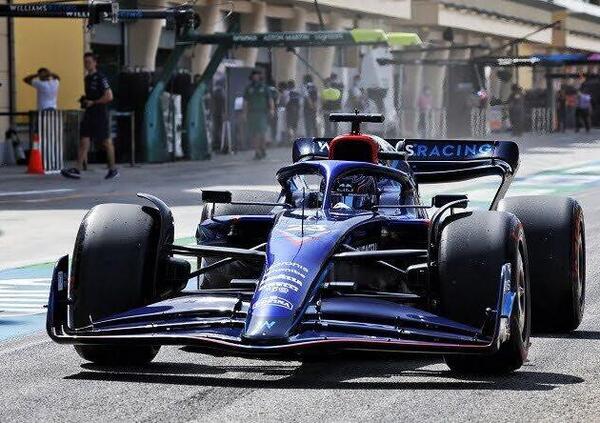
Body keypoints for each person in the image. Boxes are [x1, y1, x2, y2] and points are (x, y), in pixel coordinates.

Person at [61, 53, 117, 179]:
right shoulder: (87, 78)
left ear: (95, 63)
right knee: (84, 140)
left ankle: (113, 168)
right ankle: (77, 168)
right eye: (85, 62)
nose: (87, 64)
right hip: (89, 112)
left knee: (106, 141)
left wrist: (94, 102)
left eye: (89, 62)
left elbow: (109, 96)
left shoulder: (100, 77)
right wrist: (85, 100)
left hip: (100, 113)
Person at [243, 69, 274, 160]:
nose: (255, 77)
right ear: (252, 77)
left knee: (261, 133)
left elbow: (270, 99)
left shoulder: (264, 87)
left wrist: (272, 109)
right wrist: (244, 113)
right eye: (254, 75)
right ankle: (257, 151)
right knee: (254, 133)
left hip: (262, 113)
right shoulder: (248, 88)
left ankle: (262, 148)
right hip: (252, 113)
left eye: (257, 75)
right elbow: (245, 102)